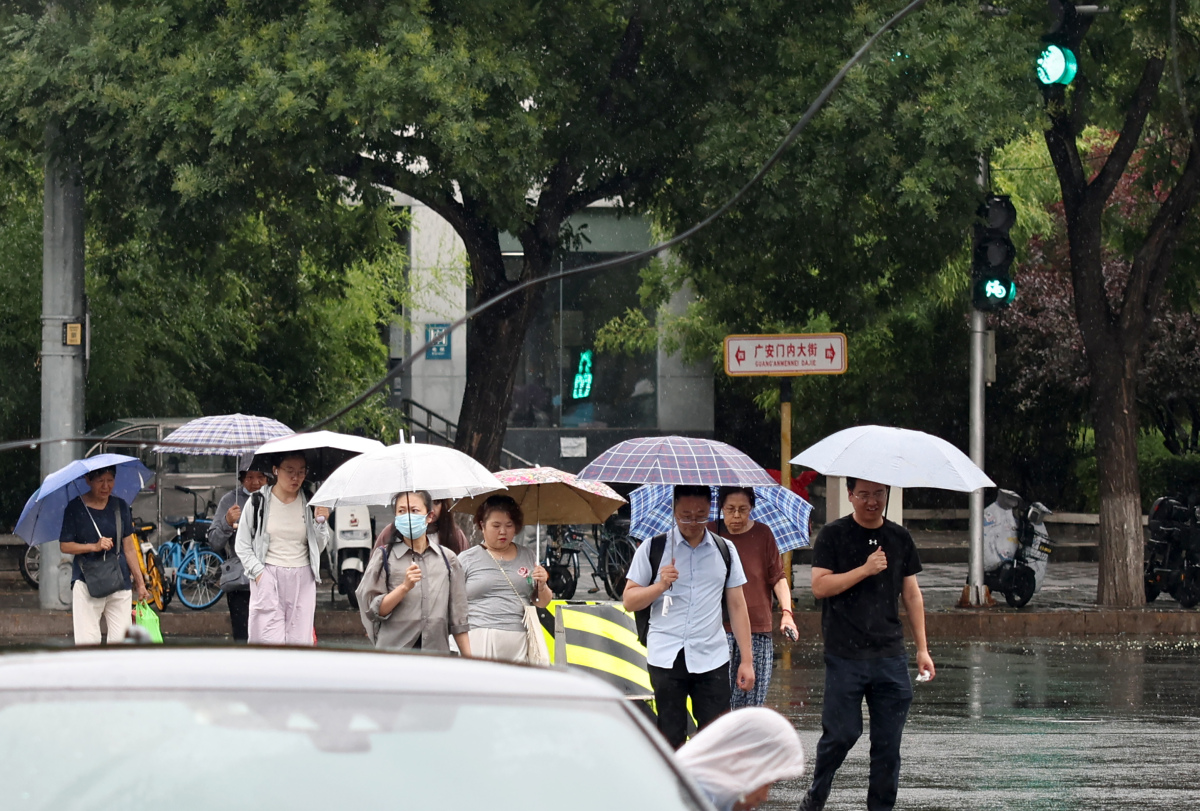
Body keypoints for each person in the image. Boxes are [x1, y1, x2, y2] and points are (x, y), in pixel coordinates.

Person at [798, 478, 935, 811]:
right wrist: (864, 569)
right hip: (845, 653)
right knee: (841, 734)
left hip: (889, 653)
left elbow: (912, 595)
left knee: (888, 747)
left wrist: (922, 648)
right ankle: (816, 795)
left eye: (879, 494)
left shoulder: (899, 537)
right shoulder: (833, 535)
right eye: (864, 495)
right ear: (850, 496)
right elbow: (820, 587)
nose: (872, 501)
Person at [622, 484, 756, 749]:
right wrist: (660, 585)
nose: (693, 522)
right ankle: (675, 789)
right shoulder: (653, 548)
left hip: (712, 655)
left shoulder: (724, 550)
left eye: (701, 514)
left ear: (712, 510)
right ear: (673, 511)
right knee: (671, 736)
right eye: (685, 515)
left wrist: (747, 660)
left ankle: (710, 790)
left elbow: (738, 606)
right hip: (666, 655)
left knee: (716, 737)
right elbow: (629, 600)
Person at [710, 486, 797, 709]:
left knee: (750, 704)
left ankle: (747, 744)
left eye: (743, 509)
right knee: (718, 703)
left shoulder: (763, 534)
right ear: (721, 508)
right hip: (717, 627)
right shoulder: (709, 534)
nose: (736, 516)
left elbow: (777, 577)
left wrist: (786, 612)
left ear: (752, 508)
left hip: (757, 627)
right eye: (730, 509)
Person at [356, 491, 472, 653]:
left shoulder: (448, 559)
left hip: (436, 656)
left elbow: (458, 619)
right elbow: (375, 611)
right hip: (394, 655)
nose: (408, 517)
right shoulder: (384, 557)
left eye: (415, 511)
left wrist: (469, 659)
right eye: (402, 511)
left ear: (429, 516)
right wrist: (404, 587)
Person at [234, 452, 331, 645]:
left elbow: (317, 547)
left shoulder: (310, 502)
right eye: (290, 471)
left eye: (301, 472)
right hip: (268, 573)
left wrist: (321, 523)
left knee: (299, 644)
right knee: (268, 643)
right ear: (275, 470)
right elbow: (242, 545)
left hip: (302, 578)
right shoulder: (257, 502)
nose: (296, 477)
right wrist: (260, 574)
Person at [58, 466, 149, 645]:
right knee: (87, 644)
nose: (106, 486)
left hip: (119, 580)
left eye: (110, 480)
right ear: (88, 480)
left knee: (121, 642)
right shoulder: (75, 508)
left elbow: (129, 547)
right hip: (87, 581)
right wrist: (94, 546)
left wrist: (140, 583)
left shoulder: (120, 506)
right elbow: (65, 546)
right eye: (100, 481)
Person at [458, 495, 551, 661]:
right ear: (482, 525)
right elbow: (453, 603)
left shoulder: (528, 556)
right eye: (496, 525)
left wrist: (542, 585)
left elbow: (542, 602)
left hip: (518, 640)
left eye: (509, 525)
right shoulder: (466, 559)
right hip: (477, 636)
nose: (503, 531)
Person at [676, 707, 806, 811]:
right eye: (765, 783)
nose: (764, 797)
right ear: (742, 764)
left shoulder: (687, 792)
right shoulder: (680, 801)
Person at [207, 457, 269, 641]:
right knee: (243, 637)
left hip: (271, 577)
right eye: (250, 477)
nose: (256, 482)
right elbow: (214, 541)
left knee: (269, 634)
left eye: (260, 477)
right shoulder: (230, 501)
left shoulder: (275, 498)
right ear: (241, 478)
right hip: (240, 581)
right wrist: (227, 522)